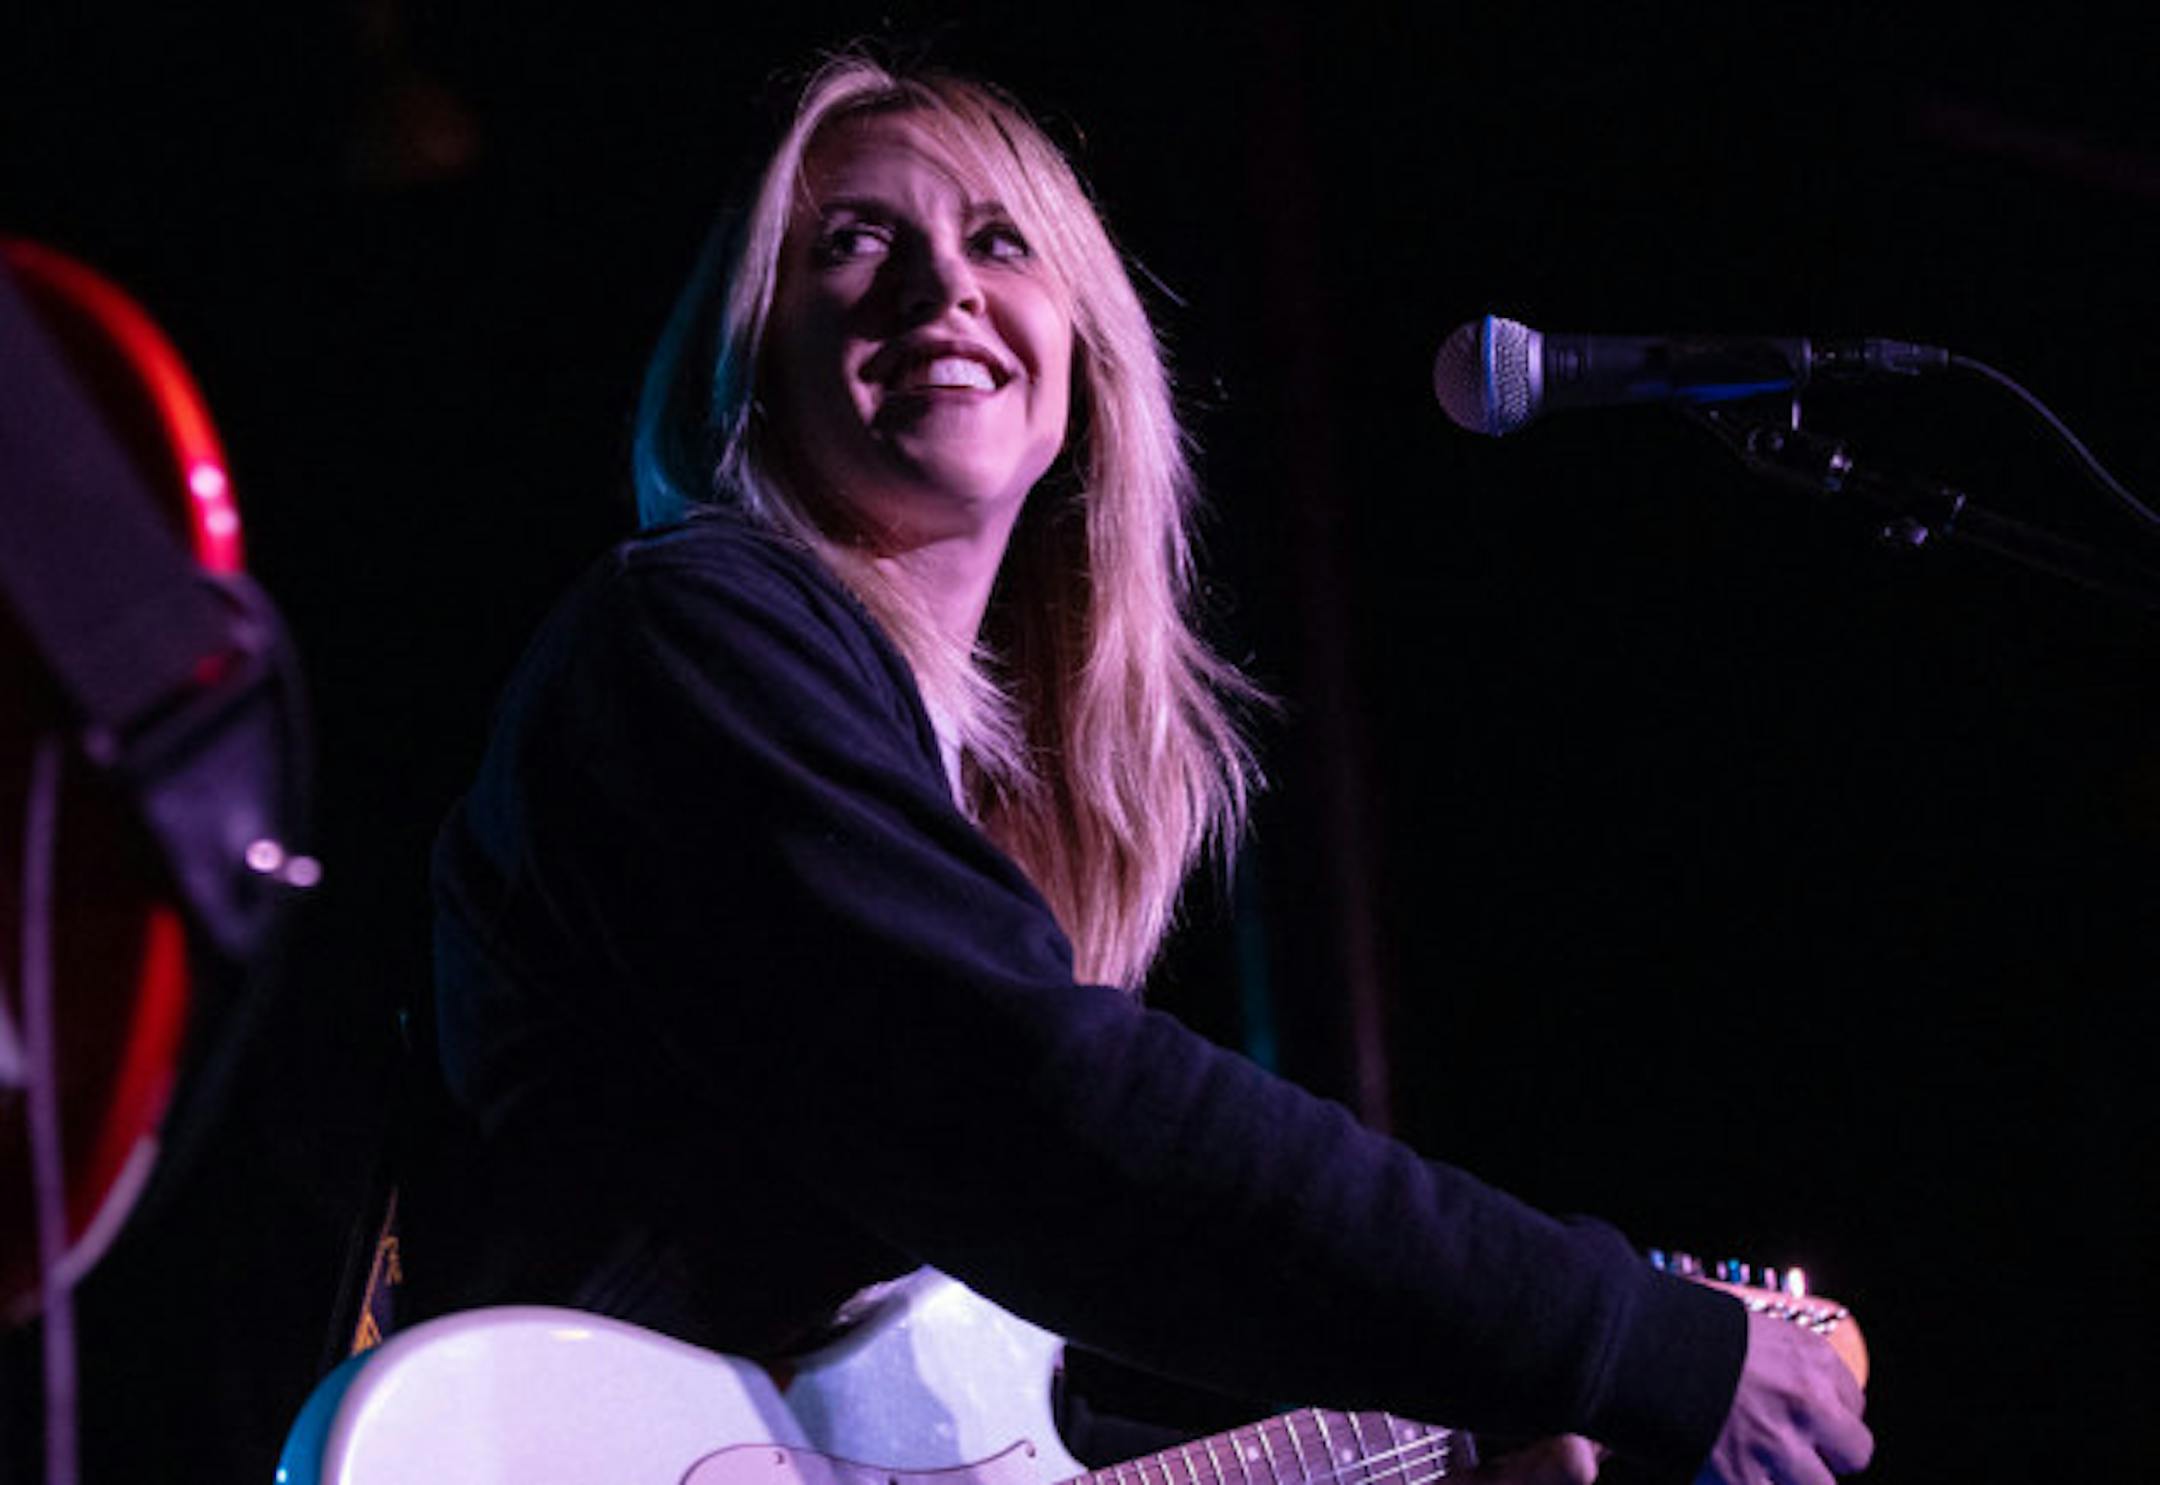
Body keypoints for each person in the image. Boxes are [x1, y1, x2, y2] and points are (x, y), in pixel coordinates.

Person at [415, 53, 1872, 1485]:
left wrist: (1454, 1452)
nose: (942, 286)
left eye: (1000, 242)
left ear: (1083, 348)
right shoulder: (688, 632)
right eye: (853, 240)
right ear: (750, 349)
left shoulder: (966, 781)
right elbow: (1034, 1104)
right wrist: (1619, 1336)